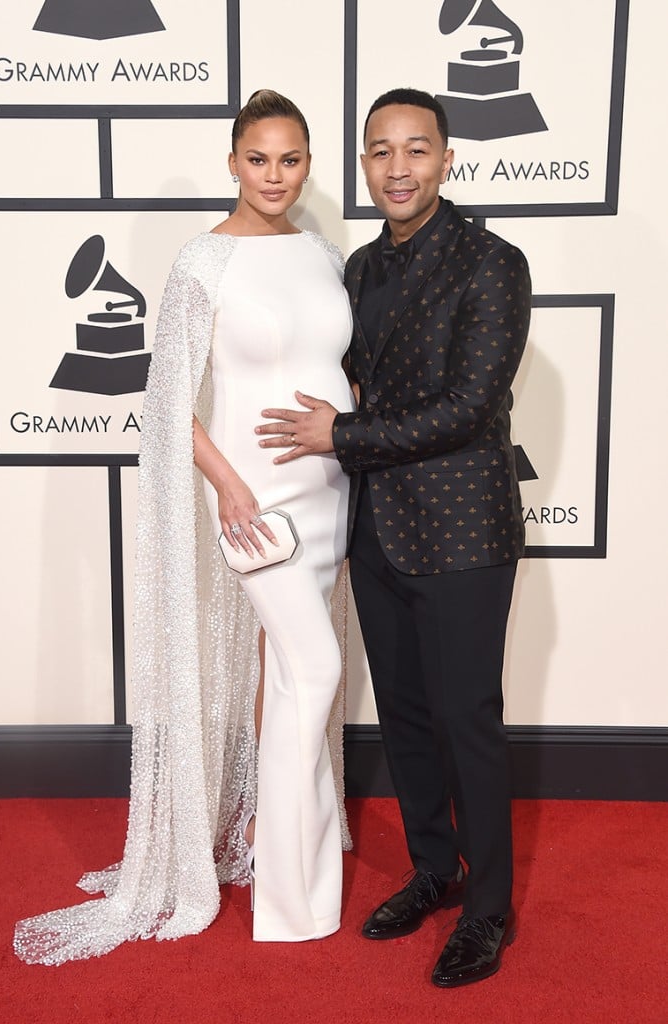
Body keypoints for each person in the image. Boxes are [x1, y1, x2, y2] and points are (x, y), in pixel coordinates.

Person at [14, 90, 355, 964]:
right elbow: (166, 399)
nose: (274, 176)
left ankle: (280, 847)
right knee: (315, 669)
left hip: (330, 490)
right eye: (258, 159)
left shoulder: (321, 254)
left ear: (307, 165)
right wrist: (228, 487)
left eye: (290, 160)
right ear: (232, 162)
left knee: (292, 674)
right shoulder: (204, 260)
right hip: (255, 497)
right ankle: (293, 895)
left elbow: (335, 362)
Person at [255, 87, 531, 987]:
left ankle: (488, 911)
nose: (399, 167)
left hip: (463, 533)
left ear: (447, 159)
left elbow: (469, 407)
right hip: (376, 527)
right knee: (405, 717)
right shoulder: (361, 269)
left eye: (417, 149)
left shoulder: (493, 263)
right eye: (381, 151)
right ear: (366, 164)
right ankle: (433, 872)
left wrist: (339, 434)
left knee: (467, 721)